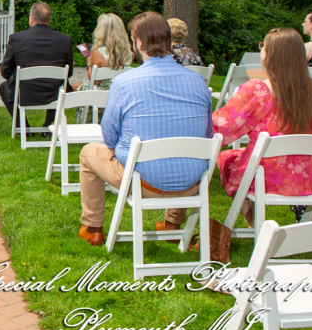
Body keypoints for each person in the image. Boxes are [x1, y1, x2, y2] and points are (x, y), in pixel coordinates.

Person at [77, 12, 212, 246]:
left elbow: (109, 137)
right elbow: (207, 136)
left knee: (89, 152)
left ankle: (93, 226)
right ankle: (172, 223)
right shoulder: (198, 82)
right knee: (183, 154)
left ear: (138, 43)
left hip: (143, 181)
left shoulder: (124, 83)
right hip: (192, 183)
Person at [213, 28, 312, 225]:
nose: (261, 50)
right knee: (240, 159)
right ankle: (258, 224)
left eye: (263, 46)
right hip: (307, 175)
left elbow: (224, 125)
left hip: (265, 174)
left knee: (227, 159)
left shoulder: (258, 90)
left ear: (271, 55)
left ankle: (255, 223)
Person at [0, 1, 74, 123]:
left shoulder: (17, 39)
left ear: (31, 19)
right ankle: (47, 127)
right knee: (61, 88)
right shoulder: (65, 40)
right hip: (54, 92)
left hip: (24, 92)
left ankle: (23, 126)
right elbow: (69, 73)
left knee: (4, 88)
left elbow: (5, 70)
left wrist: (17, 78)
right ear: (49, 20)